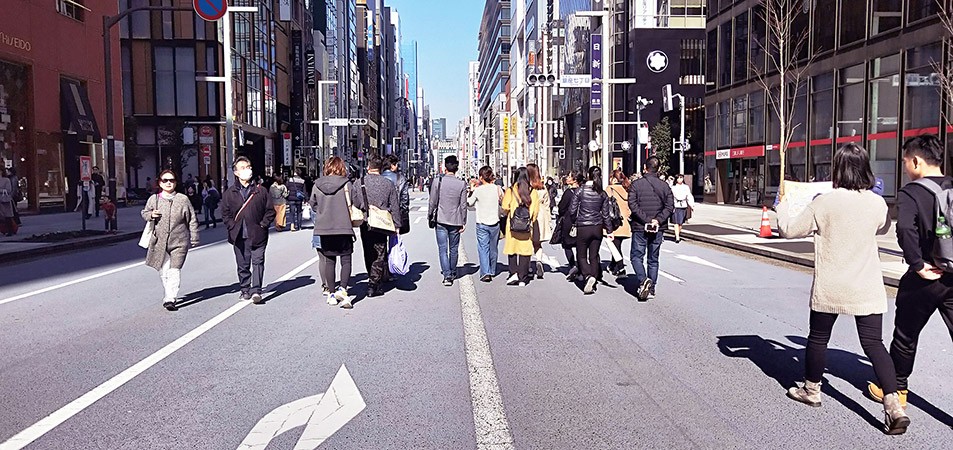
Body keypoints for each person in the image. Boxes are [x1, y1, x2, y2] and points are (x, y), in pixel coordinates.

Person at [778, 143, 908, 435]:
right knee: (874, 344)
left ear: (836, 169)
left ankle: (812, 390)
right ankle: (893, 405)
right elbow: (883, 228)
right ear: (866, 170)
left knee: (818, 338)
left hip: (831, 285)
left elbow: (788, 229)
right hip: (866, 286)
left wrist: (782, 204)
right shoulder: (876, 203)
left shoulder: (824, 202)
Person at [868, 135, 953, 413]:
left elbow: (905, 230)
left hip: (925, 276)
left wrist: (917, 264)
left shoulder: (911, 192)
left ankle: (898, 389)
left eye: (905, 161)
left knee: (906, 334)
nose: (905, 167)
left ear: (916, 161)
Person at [141, 170, 200, 311]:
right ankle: (169, 292)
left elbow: (192, 219)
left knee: (174, 269)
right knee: (164, 270)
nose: (168, 183)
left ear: (176, 182)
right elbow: (144, 213)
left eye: (172, 180)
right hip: (159, 241)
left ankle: (170, 298)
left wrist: (194, 237)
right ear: (160, 183)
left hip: (179, 241)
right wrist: (151, 214)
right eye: (165, 180)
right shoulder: (154, 199)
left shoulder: (183, 199)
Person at [221, 157, 276, 304]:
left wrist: (263, 224)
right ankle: (245, 289)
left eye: (248, 167)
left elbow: (270, 210)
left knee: (258, 262)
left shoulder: (260, 191)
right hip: (239, 234)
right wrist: (231, 226)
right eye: (243, 167)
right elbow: (225, 213)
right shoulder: (230, 193)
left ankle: (256, 290)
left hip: (258, 233)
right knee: (243, 264)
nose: (247, 170)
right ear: (236, 172)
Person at [311, 156, 357, 309]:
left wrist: (323, 212)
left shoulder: (317, 185)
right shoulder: (347, 184)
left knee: (329, 261)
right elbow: (356, 202)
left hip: (324, 228)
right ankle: (343, 289)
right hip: (343, 227)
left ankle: (331, 294)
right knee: (346, 260)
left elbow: (313, 204)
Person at [627, 157, 674, 301]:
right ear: (658, 169)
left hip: (640, 226)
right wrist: (657, 220)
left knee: (636, 256)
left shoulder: (636, 185)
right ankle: (651, 288)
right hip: (658, 227)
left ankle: (643, 280)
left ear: (644, 167)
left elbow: (632, 204)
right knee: (653, 259)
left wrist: (646, 220)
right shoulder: (665, 186)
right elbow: (670, 207)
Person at [354, 155, 401, 297]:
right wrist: (397, 225)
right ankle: (374, 283)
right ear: (380, 169)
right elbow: (395, 206)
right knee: (380, 252)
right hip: (382, 222)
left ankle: (372, 279)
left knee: (368, 251)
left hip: (366, 221)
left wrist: (365, 206)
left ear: (368, 167)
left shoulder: (359, 182)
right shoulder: (388, 184)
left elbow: (355, 202)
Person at [570, 166, 613, 295]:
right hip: (597, 227)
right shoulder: (602, 193)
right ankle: (593, 280)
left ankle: (588, 276)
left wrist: (574, 221)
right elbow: (606, 214)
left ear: (588, 175)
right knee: (594, 256)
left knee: (581, 255)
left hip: (583, 226)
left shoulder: (580, 190)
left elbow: (572, 210)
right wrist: (609, 230)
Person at [429, 155, 469, 286]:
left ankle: (447, 276)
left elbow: (432, 201)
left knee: (442, 248)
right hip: (455, 220)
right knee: (454, 248)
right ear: (456, 168)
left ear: (445, 167)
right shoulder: (461, 184)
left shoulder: (438, 181)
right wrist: (463, 221)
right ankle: (452, 271)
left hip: (440, 219)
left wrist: (430, 215)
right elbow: (463, 205)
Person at [502, 167, 540, 286]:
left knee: (512, 249)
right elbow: (535, 211)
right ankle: (523, 278)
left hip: (513, 226)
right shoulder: (533, 192)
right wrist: (530, 220)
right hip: (526, 226)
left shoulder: (511, 190)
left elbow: (505, 207)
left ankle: (513, 273)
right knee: (525, 251)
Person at [468, 166, 504, 282]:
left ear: (481, 177)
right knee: (493, 248)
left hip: (482, 223)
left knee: (483, 248)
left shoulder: (478, 190)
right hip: (495, 222)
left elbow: (469, 203)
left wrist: (471, 190)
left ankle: (485, 272)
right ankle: (492, 270)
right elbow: (503, 202)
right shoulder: (497, 189)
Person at [526, 164, 553, 279]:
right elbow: (547, 205)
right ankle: (539, 261)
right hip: (541, 216)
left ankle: (527, 267)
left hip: (529, 214)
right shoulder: (542, 187)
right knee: (538, 243)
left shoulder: (526, 187)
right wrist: (549, 221)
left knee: (527, 242)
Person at [556, 172, 583, 281]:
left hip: (569, 221)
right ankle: (581, 269)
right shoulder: (584, 191)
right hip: (582, 221)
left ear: (574, 180)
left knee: (567, 245)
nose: (567, 178)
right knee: (581, 246)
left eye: (569, 176)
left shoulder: (569, 192)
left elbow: (561, 207)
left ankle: (572, 266)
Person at [607, 169, 632, 277]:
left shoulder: (610, 189)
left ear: (613, 179)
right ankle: (612, 265)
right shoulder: (627, 189)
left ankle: (621, 269)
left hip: (614, 222)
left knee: (615, 246)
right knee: (617, 244)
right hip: (625, 222)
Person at [383, 154, 411, 235]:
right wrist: (404, 214)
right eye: (396, 164)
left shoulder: (379, 177)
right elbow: (405, 199)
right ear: (392, 166)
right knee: (395, 238)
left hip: (381, 215)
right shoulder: (401, 179)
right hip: (396, 215)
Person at [671, 174, 695, 243]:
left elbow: (689, 196)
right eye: (678, 178)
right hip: (675, 206)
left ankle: (677, 234)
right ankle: (677, 237)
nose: (679, 179)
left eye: (681, 178)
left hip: (683, 206)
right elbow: (670, 197)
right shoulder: (673, 187)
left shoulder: (686, 187)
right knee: (676, 222)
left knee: (680, 222)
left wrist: (692, 205)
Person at [0, 168, 16, 236]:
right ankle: (4, 229)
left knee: (7, 216)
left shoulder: (6, 180)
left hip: (4, 199)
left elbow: (9, 190)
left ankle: (10, 230)